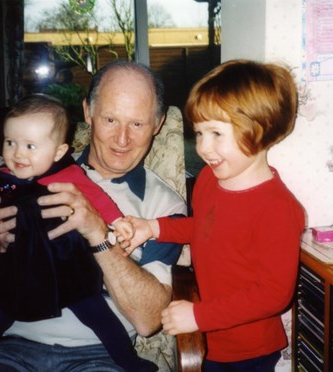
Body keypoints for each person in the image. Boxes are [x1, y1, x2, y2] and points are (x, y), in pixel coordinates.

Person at [0, 61, 187, 371]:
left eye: (137, 124)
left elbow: (149, 321)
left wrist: (98, 233)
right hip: (11, 348)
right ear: (88, 113)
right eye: (110, 119)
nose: (122, 139)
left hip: (99, 355)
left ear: (158, 124)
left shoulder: (166, 208)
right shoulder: (27, 173)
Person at [126, 60, 306, 371]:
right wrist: (154, 227)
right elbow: (205, 228)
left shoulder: (278, 208)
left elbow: (275, 294)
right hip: (209, 337)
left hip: (249, 350)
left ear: (260, 129)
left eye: (216, 134)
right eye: (199, 133)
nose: (203, 148)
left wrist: (198, 315)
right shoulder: (210, 180)